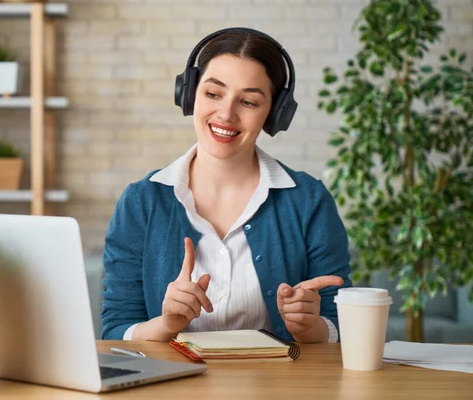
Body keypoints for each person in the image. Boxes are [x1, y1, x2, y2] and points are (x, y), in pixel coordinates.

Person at [101, 27, 352, 344]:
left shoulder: (308, 201)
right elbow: (115, 330)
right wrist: (165, 325)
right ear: (189, 93)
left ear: (274, 113)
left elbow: (340, 325)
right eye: (213, 94)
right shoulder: (141, 201)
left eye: (248, 102)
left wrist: (308, 326)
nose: (226, 114)